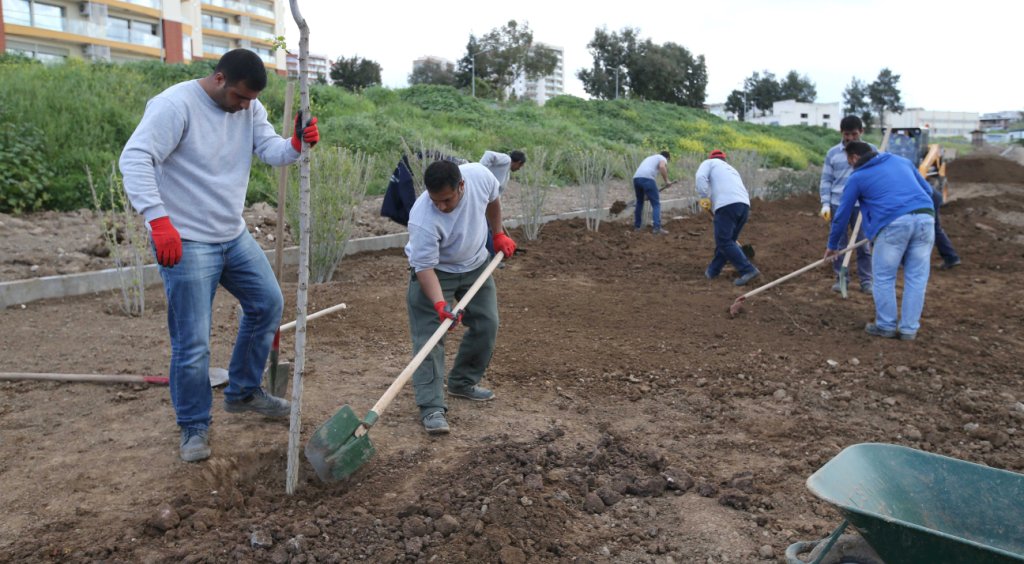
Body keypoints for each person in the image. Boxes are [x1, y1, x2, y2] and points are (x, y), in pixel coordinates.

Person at [119, 49, 320, 462]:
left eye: (250, 100)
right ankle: (194, 425)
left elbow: (271, 151)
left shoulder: (249, 107)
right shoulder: (175, 106)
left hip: (232, 234)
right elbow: (135, 157)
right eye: (240, 97)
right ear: (219, 78)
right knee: (192, 343)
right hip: (186, 239)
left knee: (267, 304)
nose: (245, 106)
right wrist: (158, 221)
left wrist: (296, 144)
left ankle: (243, 393)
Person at [404, 160, 516, 435]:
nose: (441, 206)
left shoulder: (480, 176)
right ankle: (431, 407)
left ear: (462, 186)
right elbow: (424, 268)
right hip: (435, 272)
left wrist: (498, 232)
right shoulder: (423, 219)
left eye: (447, 199)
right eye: (435, 200)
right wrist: (440, 304)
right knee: (430, 338)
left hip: (476, 264)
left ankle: (462, 382)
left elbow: (493, 199)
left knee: (487, 323)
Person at [824, 142, 935, 341]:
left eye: (849, 159)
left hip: (892, 223)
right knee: (916, 278)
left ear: (855, 157)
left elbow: (841, 214)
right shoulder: (902, 161)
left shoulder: (857, 177)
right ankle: (909, 329)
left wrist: (832, 246)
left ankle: (886, 325)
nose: (849, 164)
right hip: (926, 219)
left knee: (884, 277)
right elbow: (928, 191)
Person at [820, 116, 873, 293]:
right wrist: (825, 203)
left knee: (863, 245)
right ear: (841, 133)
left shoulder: (871, 151)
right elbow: (826, 180)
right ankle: (840, 279)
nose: (850, 138)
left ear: (861, 132)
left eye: (854, 134)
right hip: (838, 203)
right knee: (839, 246)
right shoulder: (833, 153)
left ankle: (867, 281)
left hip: (862, 205)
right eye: (846, 134)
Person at [695, 149, 760, 286]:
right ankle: (712, 271)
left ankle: (748, 270)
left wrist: (703, 197)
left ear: (712, 158)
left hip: (727, 206)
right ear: (724, 160)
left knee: (724, 241)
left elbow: (700, 178)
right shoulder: (731, 169)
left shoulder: (709, 163)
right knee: (728, 242)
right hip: (744, 206)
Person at [632, 151, 672, 234]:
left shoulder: (650, 158)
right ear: (667, 158)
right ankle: (657, 228)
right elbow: (662, 167)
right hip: (647, 178)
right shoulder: (662, 158)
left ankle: (637, 227)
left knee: (640, 202)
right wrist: (667, 181)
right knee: (656, 204)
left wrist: (647, 194)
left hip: (636, 178)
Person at [930, 184, 961, 269]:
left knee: (933, 228)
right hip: (930, 195)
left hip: (928, 197)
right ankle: (951, 257)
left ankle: (951, 258)